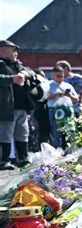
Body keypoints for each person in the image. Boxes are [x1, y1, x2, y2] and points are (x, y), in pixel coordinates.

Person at [0, 40, 33, 169]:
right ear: (2, 50)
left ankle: (22, 159)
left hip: (22, 105)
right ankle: (3, 161)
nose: (16, 53)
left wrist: (23, 74)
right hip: (5, 107)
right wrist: (12, 79)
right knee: (5, 134)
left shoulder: (18, 65)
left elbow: (29, 72)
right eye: (13, 49)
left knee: (23, 133)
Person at [47, 65, 79, 148]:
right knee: (56, 132)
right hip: (54, 110)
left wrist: (70, 96)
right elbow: (45, 97)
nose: (60, 78)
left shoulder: (68, 85)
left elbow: (77, 99)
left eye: (62, 76)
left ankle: (70, 149)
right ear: (53, 75)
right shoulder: (48, 85)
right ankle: (57, 150)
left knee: (70, 132)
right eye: (58, 76)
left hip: (67, 110)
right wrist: (57, 94)